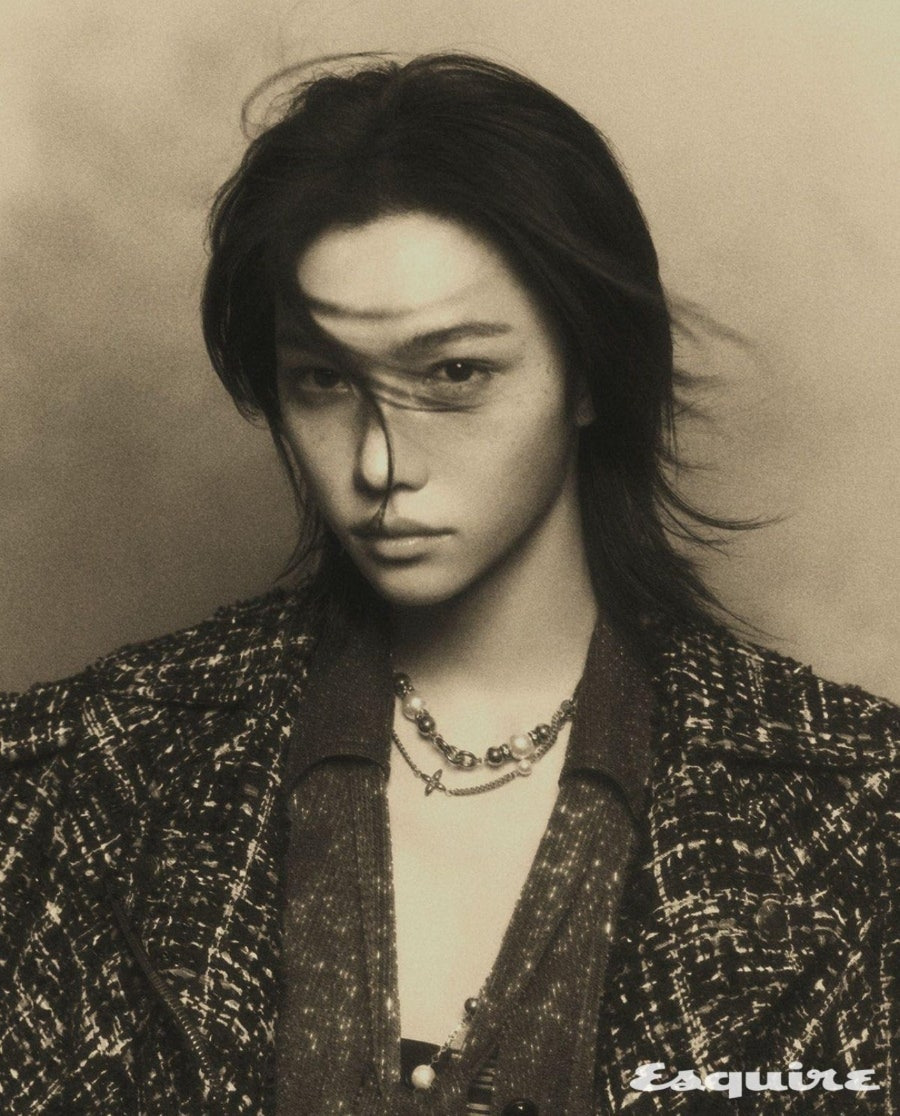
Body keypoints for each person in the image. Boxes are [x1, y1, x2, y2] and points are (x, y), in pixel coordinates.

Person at [0, 52, 895, 1116]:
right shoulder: (75, 776)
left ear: (591, 373)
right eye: (323, 380)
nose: (380, 462)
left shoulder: (857, 813)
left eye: (455, 373)